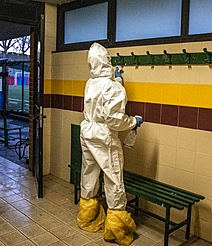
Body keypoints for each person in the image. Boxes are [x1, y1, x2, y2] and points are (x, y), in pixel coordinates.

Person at [77, 42, 143, 245]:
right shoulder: (112, 88)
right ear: (106, 61)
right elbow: (113, 119)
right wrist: (133, 121)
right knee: (114, 178)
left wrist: (117, 80)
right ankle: (116, 229)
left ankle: (88, 219)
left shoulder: (90, 83)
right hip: (104, 136)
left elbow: (102, 100)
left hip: (87, 130)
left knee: (89, 173)